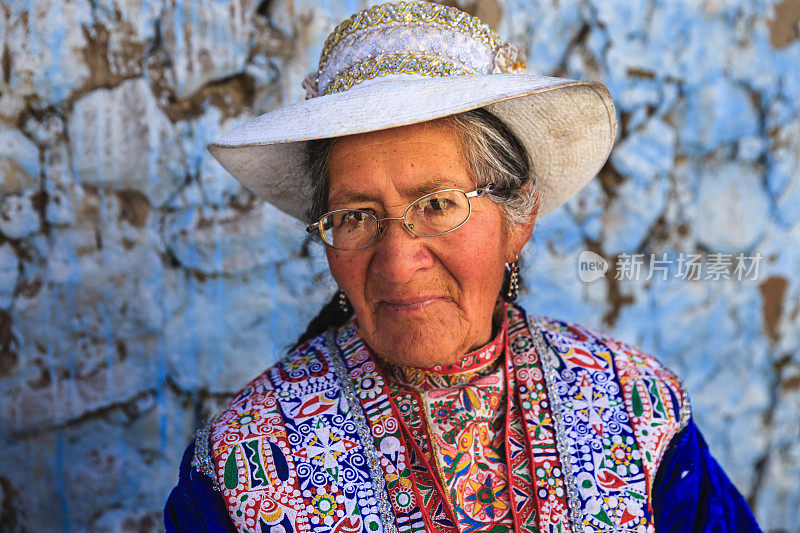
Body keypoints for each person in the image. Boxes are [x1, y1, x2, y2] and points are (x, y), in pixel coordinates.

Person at [165, 2, 761, 532]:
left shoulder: (633, 409)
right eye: (355, 216)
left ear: (517, 217)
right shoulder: (243, 463)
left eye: (438, 205)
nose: (397, 262)